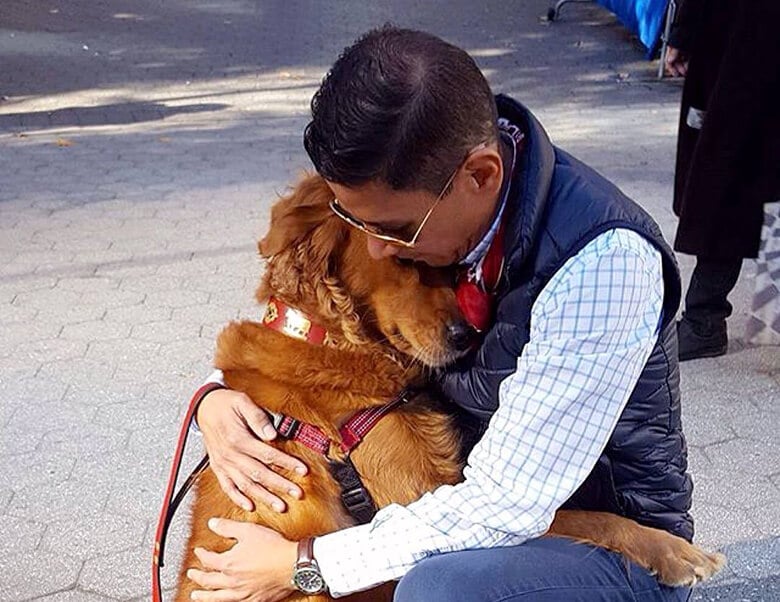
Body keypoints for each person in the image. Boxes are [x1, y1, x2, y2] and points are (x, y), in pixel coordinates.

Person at [187, 27, 693, 602]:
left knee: (441, 590)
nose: (380, 250)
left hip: (606, 547)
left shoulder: (602, 263)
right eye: (361, 228)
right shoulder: (444, 219)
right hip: (464, 514)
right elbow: (311, 337)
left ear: (481, 175)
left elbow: (506, 505)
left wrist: (303, 565)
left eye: (396, 230)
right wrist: (216, 397)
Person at [665, 0, 780, 361]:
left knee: (731, 164)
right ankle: (724, 312)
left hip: (742, 31)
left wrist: (683, 34)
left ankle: (706, 316)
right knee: (750, 161)